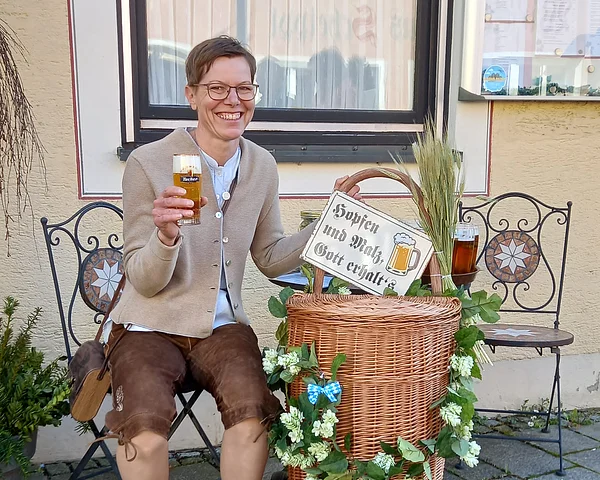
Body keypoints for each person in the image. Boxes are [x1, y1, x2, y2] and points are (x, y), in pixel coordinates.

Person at [104, 35, 361, 480]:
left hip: (222, 328)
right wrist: (165, 237)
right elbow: (142, 280)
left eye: (244, 88)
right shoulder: (149, 162)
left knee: (253, 418)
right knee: (145, 433)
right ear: (192, 95)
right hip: (149, 325)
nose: (233, 100)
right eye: (217, 88)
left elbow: (270, 256)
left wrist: (329, 222)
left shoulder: (262, 165)